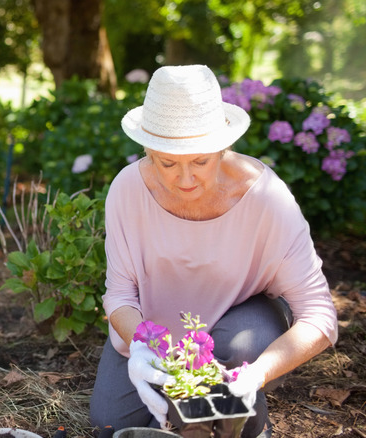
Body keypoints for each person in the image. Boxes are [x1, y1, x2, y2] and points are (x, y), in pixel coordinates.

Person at [89, 65, 338, 438]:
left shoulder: (267, 200)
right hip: (157, 335)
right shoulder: (127, 190)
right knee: (110, 426)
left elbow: (320, 317)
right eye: (168, 162)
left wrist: (260, 372)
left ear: (223, 147)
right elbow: (121, 294)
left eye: (201, 161)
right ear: (147, 149)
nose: (185, 180)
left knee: (240, 351)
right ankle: (199, 411)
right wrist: (141, 346)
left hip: (237, 325)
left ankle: (239, 422)